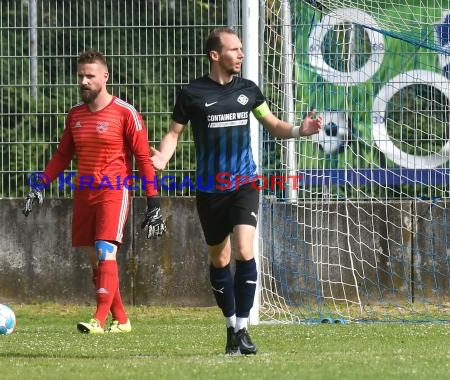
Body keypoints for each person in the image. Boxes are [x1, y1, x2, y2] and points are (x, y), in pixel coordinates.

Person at [151, 27, 322, 355]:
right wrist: (162, 156)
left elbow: (272, 124)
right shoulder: (192, 93)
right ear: (215, 55)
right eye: (234, 49)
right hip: (209, 190)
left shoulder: (249, 91)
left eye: (242, 49)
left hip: (245, 184)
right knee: (220, 258)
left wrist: (301, 129)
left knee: (245, 251)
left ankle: (243, 329)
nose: (241, 54)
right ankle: (231, 327)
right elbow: (174, 133)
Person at [23, 48, 166, 334]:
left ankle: (98, 320)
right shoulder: (75, 115)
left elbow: (142, 158)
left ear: (105, 77)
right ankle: (122, 319)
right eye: (80, 76)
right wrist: (40, 184)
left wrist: (154, 202)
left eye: (90, 76)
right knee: (97, 262)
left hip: (114, 191)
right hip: (84, 193)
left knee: (105, 250)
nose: (84, 81)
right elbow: (63, 155)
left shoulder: (127, 113)